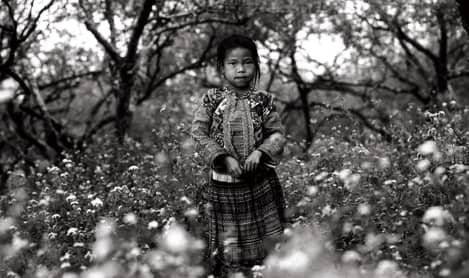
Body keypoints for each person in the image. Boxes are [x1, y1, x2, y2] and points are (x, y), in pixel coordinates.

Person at [191, 34, 287, 278]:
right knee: (230, 247)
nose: (241, 69)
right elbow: (199, 134)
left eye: (247, 62)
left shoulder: (263, 101)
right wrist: (224, 158)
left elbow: (277, 135)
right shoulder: (212, 100)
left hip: (261, 185)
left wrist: (259, 152)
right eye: (233, 63)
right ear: (222, 68)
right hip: (224, 187)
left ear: (256, 65)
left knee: (268, 247)